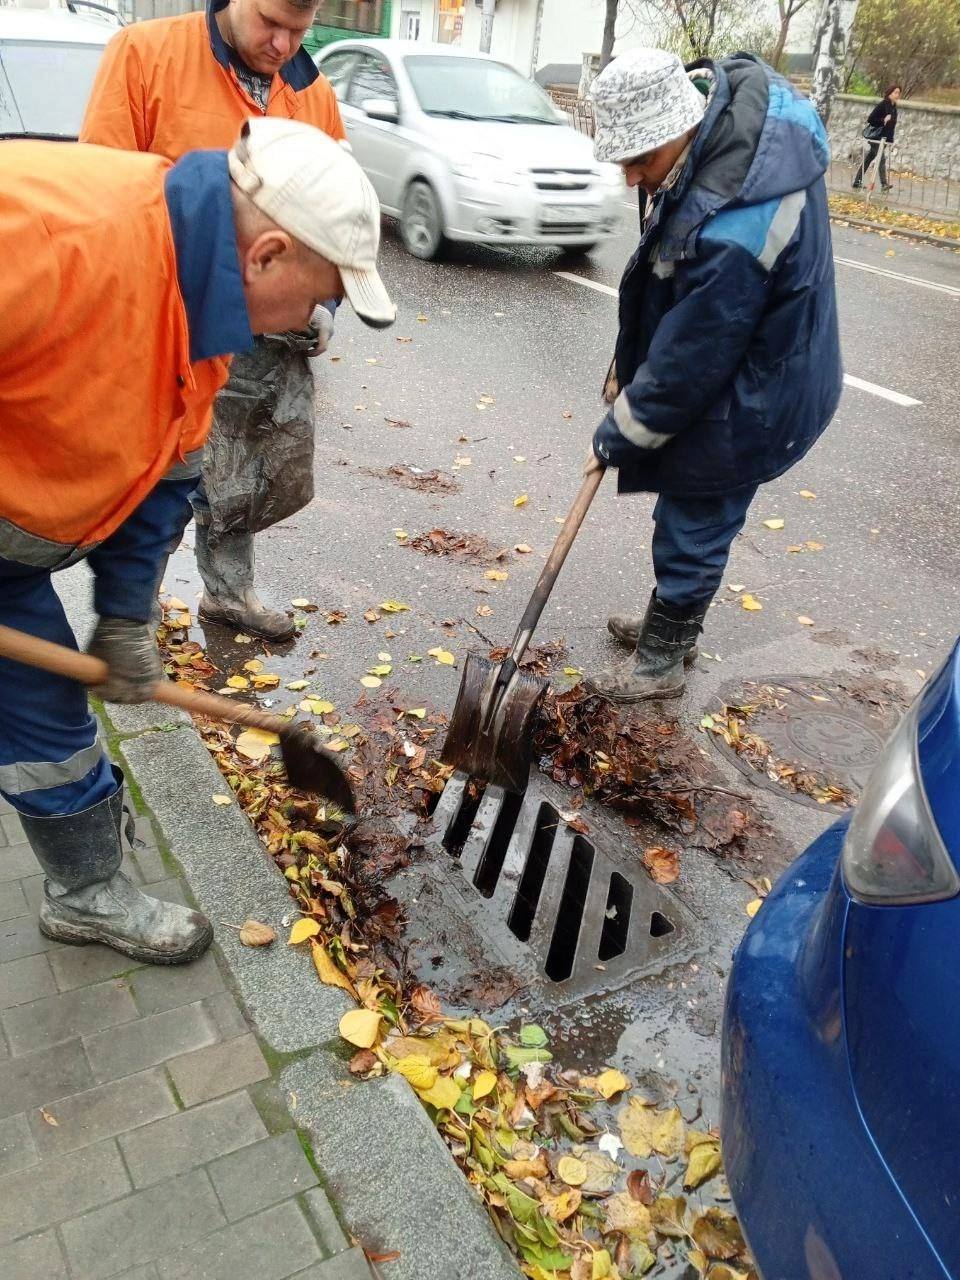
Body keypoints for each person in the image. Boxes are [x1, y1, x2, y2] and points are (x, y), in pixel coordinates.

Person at [0, 119, 395, 964]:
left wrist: (125, 619)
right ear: (268, 255)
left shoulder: (204, 311)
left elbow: (169, 480)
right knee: (43, 717)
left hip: (20, 547)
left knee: (47, 718)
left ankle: (85, 889)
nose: (318, 318)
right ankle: (89, 891)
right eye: (322, 294)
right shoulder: (51, 244)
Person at [81, 0, 352, 642]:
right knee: (163, 467)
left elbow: (339, 215)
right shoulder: (145, 57)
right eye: (271, 24)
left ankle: (230, 591)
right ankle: (132, 613)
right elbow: (103, 198)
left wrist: (324, 305)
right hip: (169, 327)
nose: (284, 44)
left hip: (265, 330)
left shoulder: (312, 94)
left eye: (300, 29)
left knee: (245, 466)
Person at [583, 48, 842, 703]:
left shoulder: (738, 210)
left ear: (681, 128)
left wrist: (622, 432)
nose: (632, 179)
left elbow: (694, 354)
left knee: (697, 507)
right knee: (689, 500)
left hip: (761, 386)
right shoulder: (723, 129)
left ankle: (665, 656)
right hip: (751, 352)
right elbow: (680, 284)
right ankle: (671, 623)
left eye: (640, 162)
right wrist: (634, 354)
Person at [852, 84, 901, 192]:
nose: (897, 95)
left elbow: (891, 126)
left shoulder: (893, 108)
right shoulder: (883, 105)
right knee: (881, 159)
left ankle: (857, 181)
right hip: (876, 137)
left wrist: (890, 141)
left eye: (898, 93)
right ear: (889, 93)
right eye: (895, 92)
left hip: (883, 138)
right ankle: (884, 184)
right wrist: (883, 120)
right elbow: (871, 119)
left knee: (869, 159)